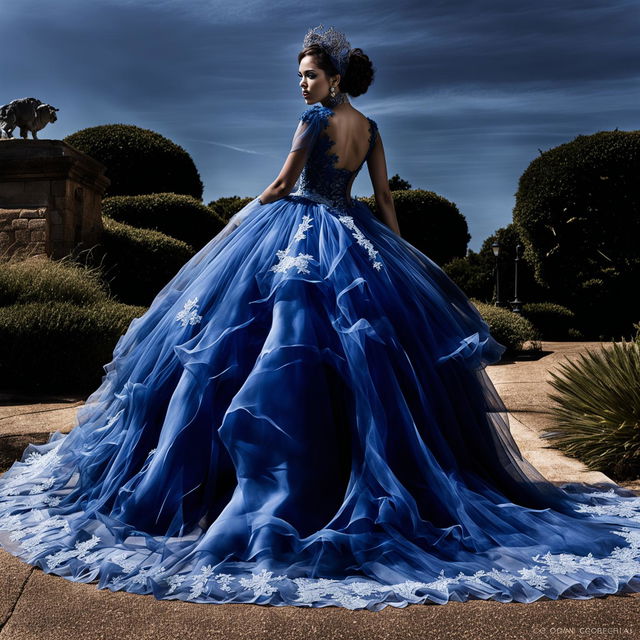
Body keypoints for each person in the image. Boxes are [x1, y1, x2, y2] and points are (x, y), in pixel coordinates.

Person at [0, 25, 639, 612]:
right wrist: (398, 260)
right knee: (347, 365)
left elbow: (283, 184)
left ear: (333, 78)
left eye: (309, 75)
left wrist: (238, 220)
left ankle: (265, 480)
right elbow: (383, 198)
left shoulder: (313, 118)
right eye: (301, 76)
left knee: (265, 347)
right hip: (358, 236)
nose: (302, 85)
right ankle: (331, 469)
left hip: (300, 230)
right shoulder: (374, 128)